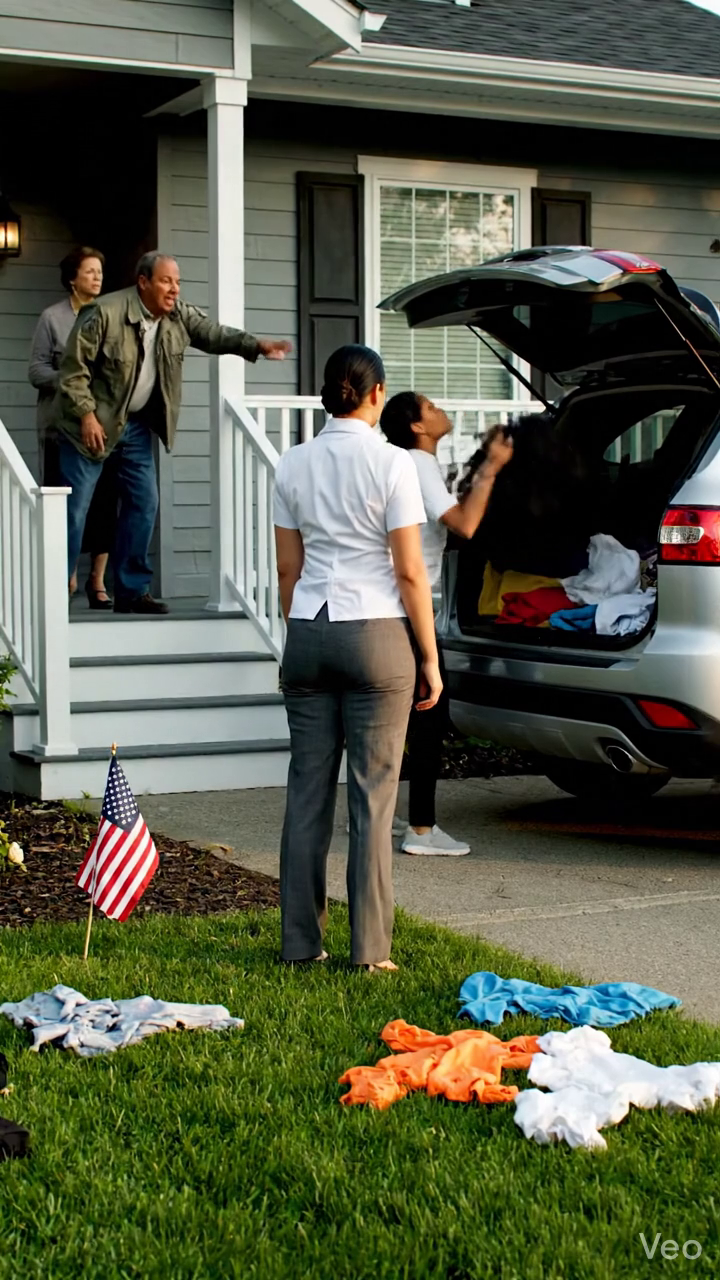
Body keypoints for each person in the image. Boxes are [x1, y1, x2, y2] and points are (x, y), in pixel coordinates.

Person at [273, 346, 442, 971]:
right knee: (372, 798)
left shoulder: (292, 463)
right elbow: (409, 571)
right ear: (376, 395)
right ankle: (369, 952)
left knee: (306, 793)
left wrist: (292, 637)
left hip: (310, 630)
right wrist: (429, 656)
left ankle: (300, 945)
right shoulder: (393, 463)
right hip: (376, 636)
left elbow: (288, 570)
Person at [55, 250, 291, 614]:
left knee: (144, 502)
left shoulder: (177, 316)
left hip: (133, 427)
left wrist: (256, 345)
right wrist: (86, 415)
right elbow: (73, 371)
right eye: (166, 281)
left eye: (177, 282)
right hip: (89, 425)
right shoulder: (104, 312)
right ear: (144, 282)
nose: (174, 289)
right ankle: (54, 589)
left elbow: (212, 334)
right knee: (74, 509)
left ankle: (132, 592)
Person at [380, 392, 513, 856]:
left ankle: (387, 815)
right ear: (417, 426)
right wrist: (492, 466)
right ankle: (421, 830)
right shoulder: (418, 462)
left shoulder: (401, 461)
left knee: (394, 719)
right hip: (409, 608)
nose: (440, 411)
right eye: (431, 408)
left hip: (386, 606)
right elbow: (465, 524)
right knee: (429, 718)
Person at [29, 246, 116, 608]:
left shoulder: (109, 315)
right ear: (72, 278)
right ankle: (65, 577)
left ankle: (97, 581)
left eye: (100, 271)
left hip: (104, 427)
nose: (97, 277)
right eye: (90, 271)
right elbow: (35, 371)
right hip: (60, 428)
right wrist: (72, 380)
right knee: (66, 508)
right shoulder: (53, 318)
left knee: (104, 505)